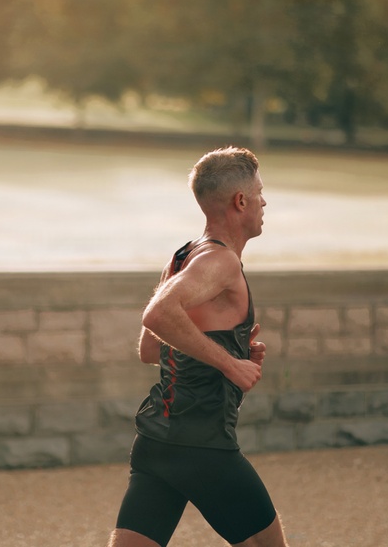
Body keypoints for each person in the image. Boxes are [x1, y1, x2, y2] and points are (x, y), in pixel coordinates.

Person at [107, 146, 289, 547]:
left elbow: (152, 350)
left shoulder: (181, 257)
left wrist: (232, 349)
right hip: (203, 445)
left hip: (157, 442)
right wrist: (229, 364)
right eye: (259, 192)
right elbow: (156, 316)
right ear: (240, 201)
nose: (264, 201)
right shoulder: (220, 263)